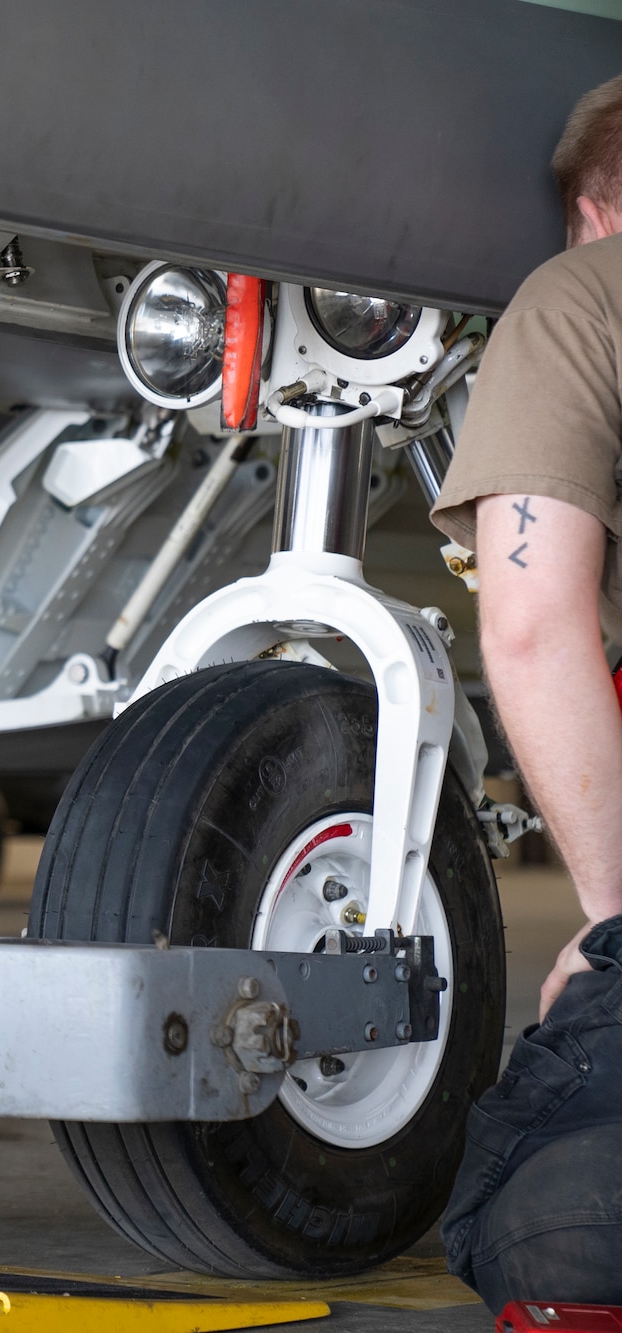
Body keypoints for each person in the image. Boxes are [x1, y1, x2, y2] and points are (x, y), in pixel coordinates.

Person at [433, 72, 622, 1311]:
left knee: (545, 1217)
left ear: (589, 209)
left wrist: (612, 928)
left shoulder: (582, 294)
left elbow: (531, 618)